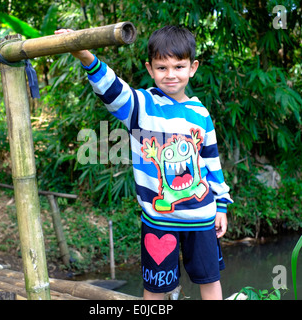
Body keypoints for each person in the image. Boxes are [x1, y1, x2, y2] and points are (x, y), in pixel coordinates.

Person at [55, 25, 233, 300]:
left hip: (202, 218)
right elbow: (113, 90)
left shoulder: (200, 113)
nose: (171, 75)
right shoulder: (141, 106)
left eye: (179, 66)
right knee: (155, 289)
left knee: (210, 281)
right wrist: (85, 56)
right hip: (159, 220)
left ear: (193, 68)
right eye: (162, 68)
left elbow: (211, 161)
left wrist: (221, 204)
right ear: (150, 69)